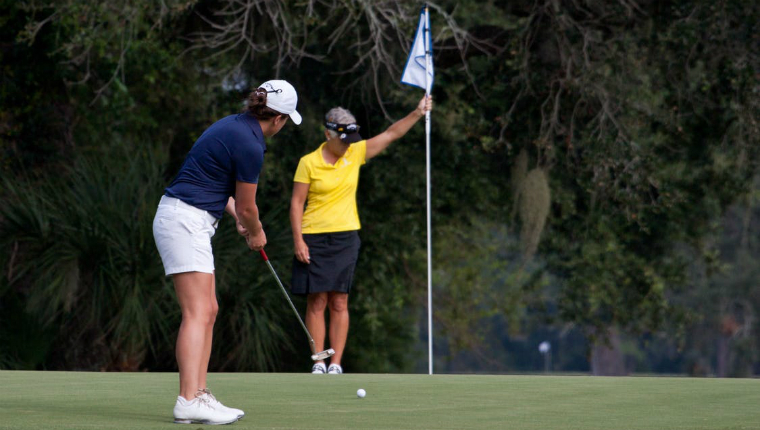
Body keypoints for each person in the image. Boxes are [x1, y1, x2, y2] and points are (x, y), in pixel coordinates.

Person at [153, 80, 301, 425]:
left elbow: (217, 185)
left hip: (189, 218)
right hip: (184, 220)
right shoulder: (252, 144)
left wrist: (236, 216)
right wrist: (256, 233)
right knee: (197, 311)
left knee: (209, 309)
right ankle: (188, 398)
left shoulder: (233, 125)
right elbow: (249, 206)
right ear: (278, 119)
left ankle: (198, 395)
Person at [290, 95, 433, 375]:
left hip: (346, 236)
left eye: (350, 140)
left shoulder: (355, 154)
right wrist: (298, 240)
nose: (347, 145)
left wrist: (417, 112)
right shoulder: (308, 162)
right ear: (327, 134)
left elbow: (392, 133)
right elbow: (296, 203)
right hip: (314, 236)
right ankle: (318, 361)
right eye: (342, 140)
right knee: (317, 300)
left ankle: (336, 364)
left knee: (340, 300)